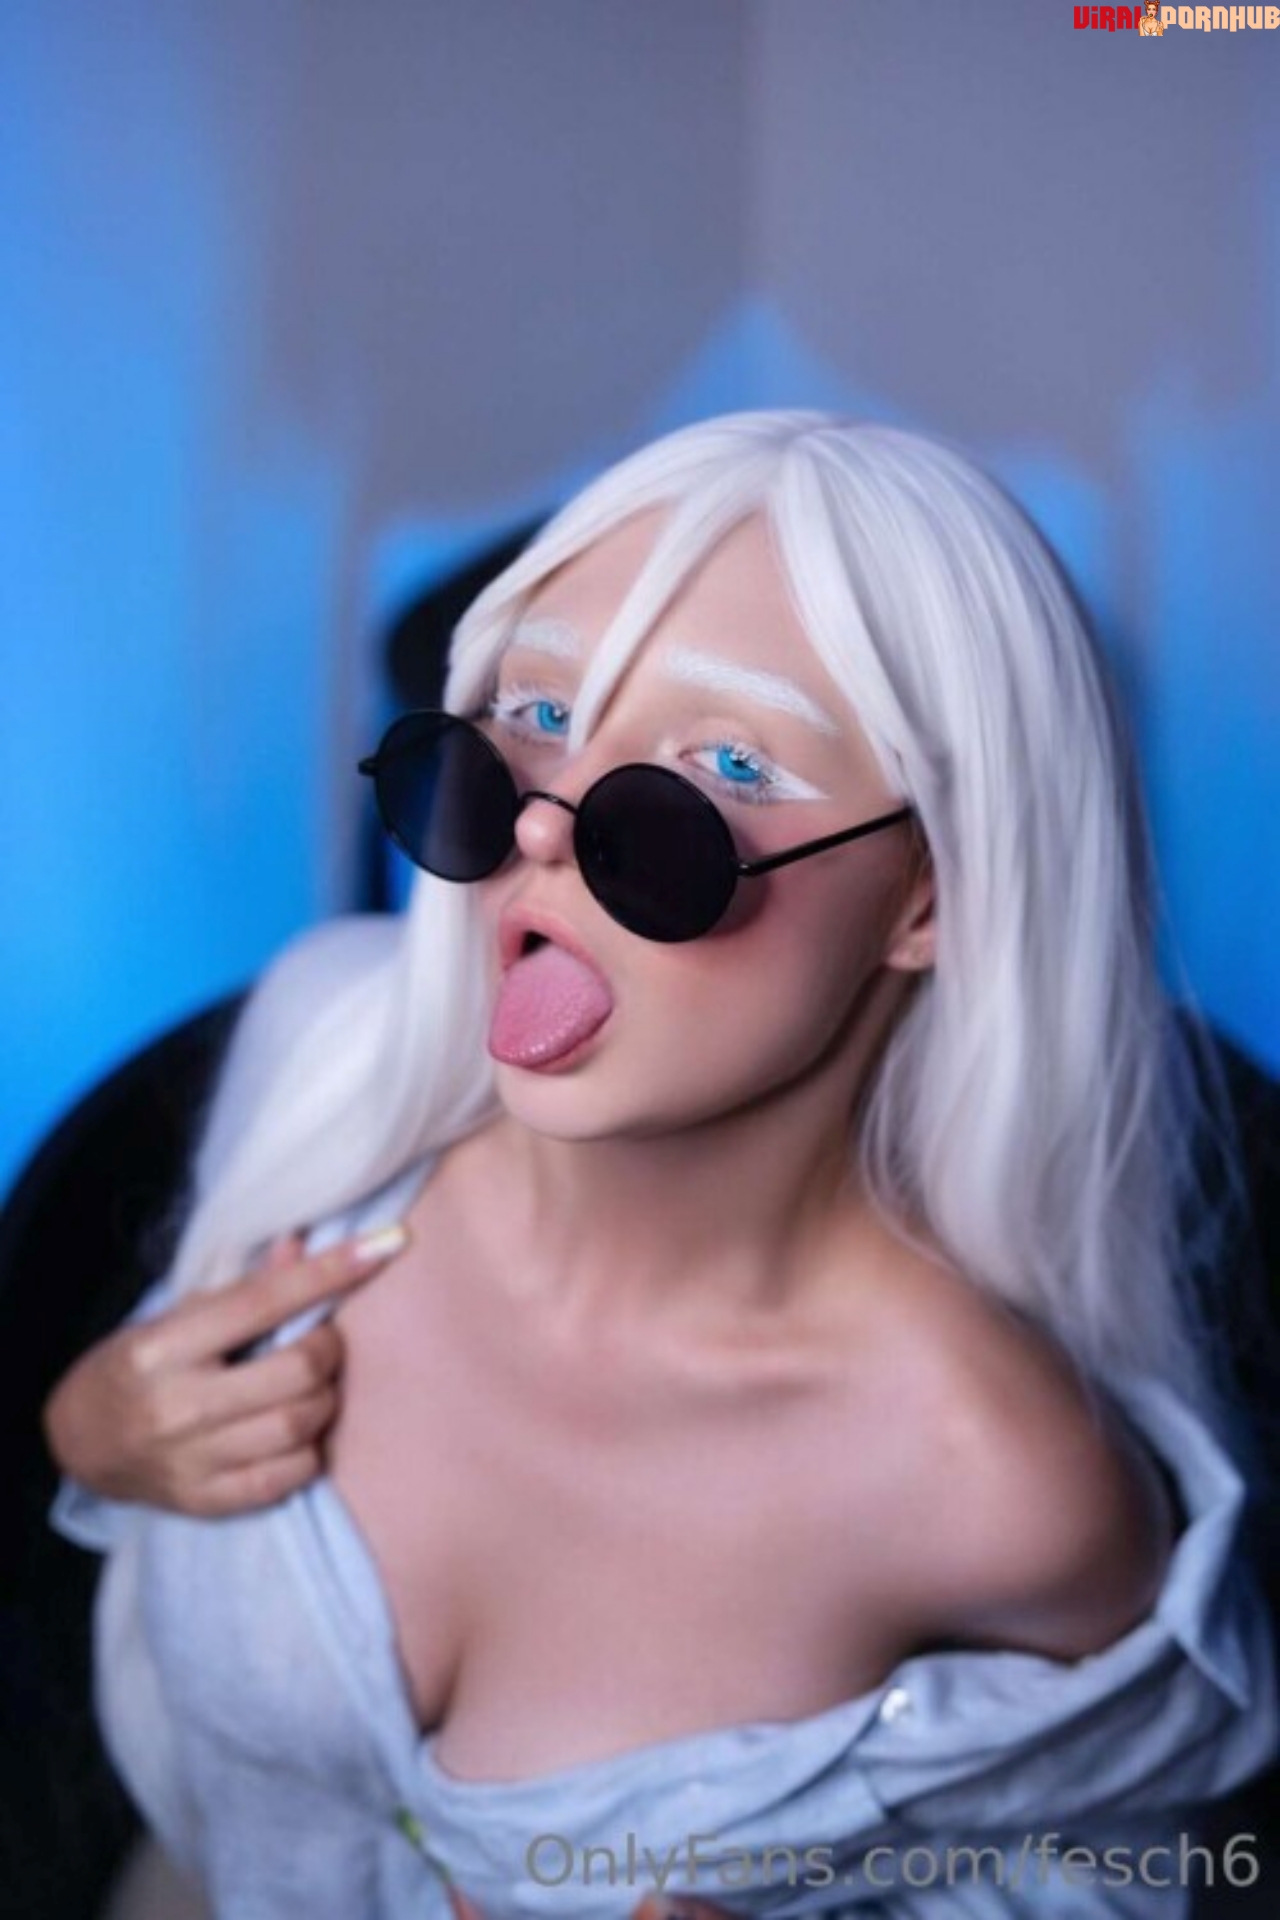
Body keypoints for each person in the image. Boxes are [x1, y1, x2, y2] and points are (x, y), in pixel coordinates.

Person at [44, 411, 1277, 1919]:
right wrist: (92, 1438)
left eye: (724, 765)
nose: (543, 832)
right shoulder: (317, 1062)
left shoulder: (993, 1472)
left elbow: (1146, 1866)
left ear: (929, 897)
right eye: (534, 719)